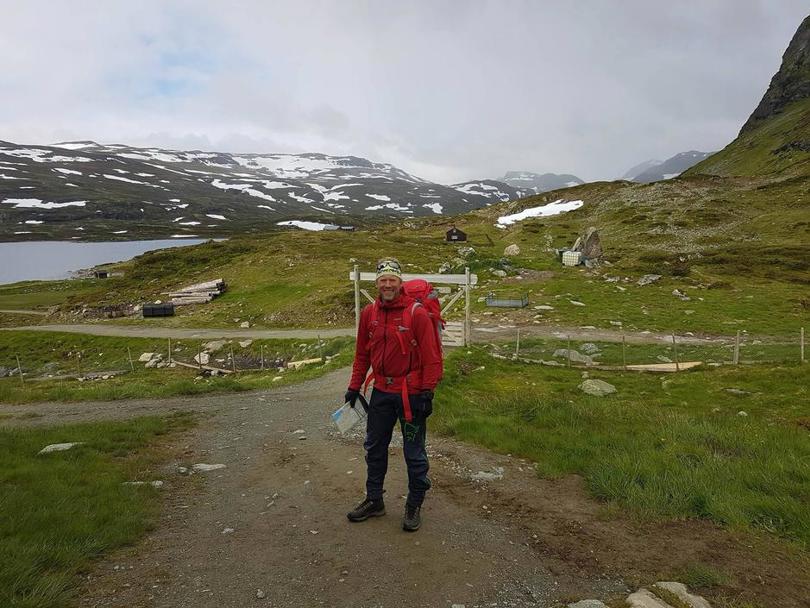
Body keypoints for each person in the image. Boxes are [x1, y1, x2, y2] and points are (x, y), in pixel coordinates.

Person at [344, 258, 442, 532]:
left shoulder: (417, 313)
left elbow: (431, 357)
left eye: (392, 279)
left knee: (414, 451)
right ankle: (375, 500)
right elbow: (362, 353)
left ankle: (414, 503)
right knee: (374, 448)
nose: (387, 284)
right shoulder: (369, 314)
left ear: (400, 282)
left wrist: (427, 392)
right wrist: (354, 385)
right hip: (381, 394)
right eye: (382, 280)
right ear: (376, 283)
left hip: (411, 395)